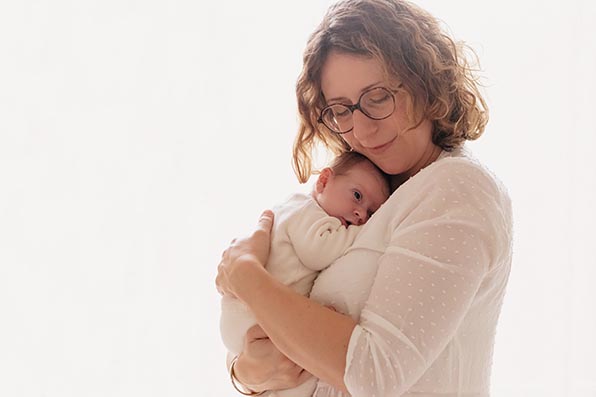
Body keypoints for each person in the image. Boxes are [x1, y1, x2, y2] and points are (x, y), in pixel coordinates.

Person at [215, 0, 513, 396]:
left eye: (377, 98)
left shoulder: (456, 190)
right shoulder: (376, 191)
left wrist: (245, 274)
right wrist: (247, 374)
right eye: (341, 109)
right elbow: (290, 332)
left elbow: (375, 374)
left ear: (423, 80)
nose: (363, 131)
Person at [220, 151, 390, 397]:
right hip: (250, 317)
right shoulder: (306, 211)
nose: (361, 215)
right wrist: (367, 232)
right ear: (323, 182)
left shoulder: (298, 208)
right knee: (302, 376)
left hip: (246, 323)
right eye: (357, 196)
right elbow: (318, 252)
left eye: (371, 213)